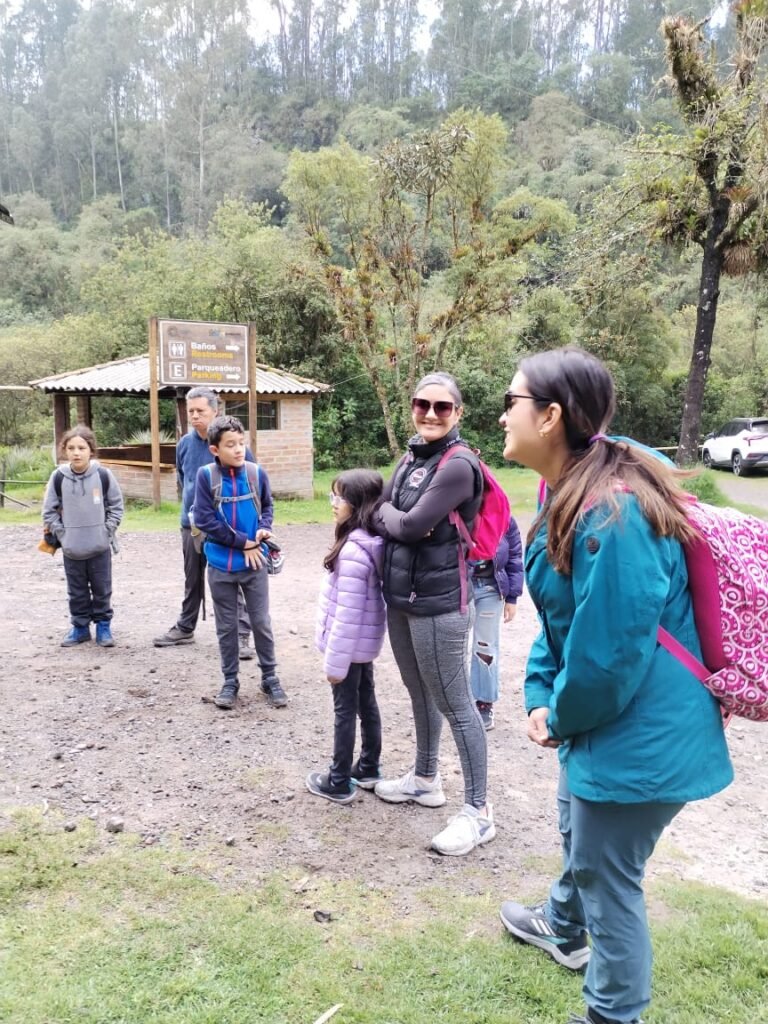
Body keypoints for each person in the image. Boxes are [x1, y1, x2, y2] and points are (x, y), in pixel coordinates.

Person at [496, 348, 733, 1024]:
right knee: (583, 837)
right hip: (618, 724)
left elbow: (607, 658)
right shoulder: (568, 489)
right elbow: (566, 625)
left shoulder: (612, 514)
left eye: (511, 401)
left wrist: (560, 717)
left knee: (610, 882)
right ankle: (561, 926)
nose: (502, 416)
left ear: (549, 416)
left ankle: (610, 1015)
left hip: (641, 734)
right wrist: (542, 694)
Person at [372, 372, 496, 857]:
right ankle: (425, 778)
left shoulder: (458, 464)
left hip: (441, 605)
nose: (430, 413)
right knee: (418, 691)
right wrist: (396, 522)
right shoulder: (411, 456)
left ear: (458, 414)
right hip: (402, 599)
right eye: (422, 404)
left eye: (442, 407)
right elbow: (387, 513)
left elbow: (408, 523)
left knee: (457, 705)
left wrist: (396, 522)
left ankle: (479, 812)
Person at [192, 415, 286, 711]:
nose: (238, 450)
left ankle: (270, 678)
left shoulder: (256, 474)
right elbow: (205, 520)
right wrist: (243, 542)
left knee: (261, 622)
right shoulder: (206, 477)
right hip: (220, 564)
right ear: (215, 450)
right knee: (227, 626)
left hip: (255, 562)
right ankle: (230, 681)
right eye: (230, 445)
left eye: (241, 443)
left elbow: (268, 506)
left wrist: (263, 529)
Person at [154, 387, 254, 659]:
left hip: (227, 528)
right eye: (191, 412)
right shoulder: (185, 443)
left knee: (231, 577)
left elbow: (251, 482)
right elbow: (183, 479)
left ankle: (241, 634)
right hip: (192, 525)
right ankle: (186, 627)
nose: (195, 416)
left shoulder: (232, 445)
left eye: (201, 411)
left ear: (215, 411)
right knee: (193, 578)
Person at [306, 469, 386, 804]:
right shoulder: (370, 540)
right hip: (361, 648)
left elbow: (347, 616)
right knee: (366, 702)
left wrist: (335, 663)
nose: (333, 503)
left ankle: (338, 780)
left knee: (345, 709)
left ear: (357, 504)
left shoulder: (354, 551)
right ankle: (367, 766)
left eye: (338, 497)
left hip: (348, 649)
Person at [42, 425, 124, 648]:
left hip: (99, 548)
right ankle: (80, 628)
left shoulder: (103, 475)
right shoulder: (58, 477)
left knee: (102, 589)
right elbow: (48, 511)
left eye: (81, 447)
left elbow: (117, 506)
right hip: (72, 549)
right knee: (76, 592)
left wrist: (106, 530)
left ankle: (104, 628)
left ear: (91, 450)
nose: (76, 452)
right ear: (64, 451)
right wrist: (63, 534)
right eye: (71, 448)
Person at [469, 514, 523, 731]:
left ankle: (484, 702)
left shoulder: (504, 518)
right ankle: (455, 701)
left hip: (491, 588)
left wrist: (512, 598)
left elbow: (515, 558)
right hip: (459, 586)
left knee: (485, 647)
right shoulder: (454, 508)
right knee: (451, 647)